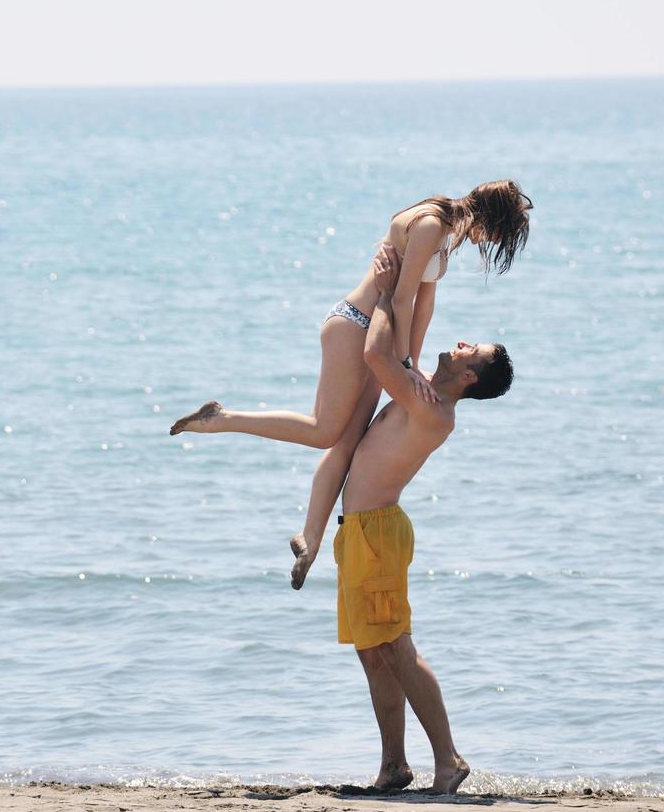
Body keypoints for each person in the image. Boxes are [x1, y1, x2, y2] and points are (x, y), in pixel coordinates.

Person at [168, 180, 531, 583]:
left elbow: (424, 303)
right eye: (500, 234)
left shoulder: (444, 233)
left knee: (347, 441)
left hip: (379, 335)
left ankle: (310, 540)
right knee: (324, 431)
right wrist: (406, 363)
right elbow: (399, 298)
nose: (492, 242)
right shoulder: (431, 223)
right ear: (493, 220)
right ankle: (221, 418)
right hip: (357, 324)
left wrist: (412, 363)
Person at [321, 242, 514, 793]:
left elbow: (378, 356)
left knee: (397, 648)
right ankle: (393, 765)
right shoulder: (422, 392)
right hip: (358, 533)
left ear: (471, 377)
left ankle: (448, 760)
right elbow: (403, 343)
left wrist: (383, 290)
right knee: (373, 653)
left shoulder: (432, 408)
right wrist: (416, 282)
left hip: (378, 532)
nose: (460, 345)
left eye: (471, 349)